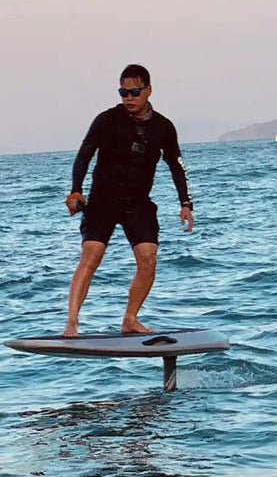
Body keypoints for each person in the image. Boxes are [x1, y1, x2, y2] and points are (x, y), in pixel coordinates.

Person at [63, 64, 194, 337]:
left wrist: (185, 204)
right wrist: (76, 190)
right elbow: (84, 154)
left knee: (148, 258)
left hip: (138, 202)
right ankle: (72, 325)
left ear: (148, 90)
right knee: (92, 254)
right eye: (123, 91)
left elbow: (176, 165)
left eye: (134, 91)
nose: (128, 97)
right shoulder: (106, 120)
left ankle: (130, 319)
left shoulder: (163, 127)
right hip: (103, 200)